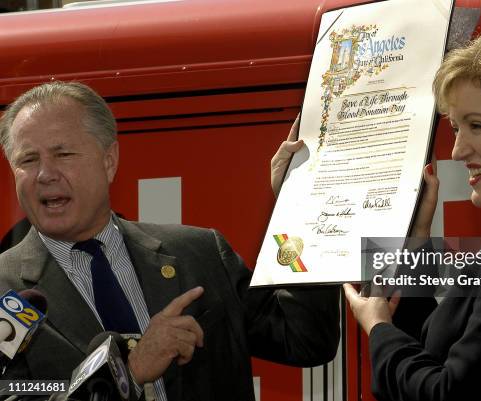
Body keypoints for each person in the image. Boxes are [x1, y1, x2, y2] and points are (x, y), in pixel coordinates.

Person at [275, 24, 481, 400]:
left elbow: (447, 392)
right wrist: (414, 244)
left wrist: (378, 329)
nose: (459, 150)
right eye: (455, 128)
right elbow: (436, 350)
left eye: (477, 126)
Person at [0, 81, 340, 401]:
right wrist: (128, 372)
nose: (45, 174)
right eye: (28, 160)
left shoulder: (201, 254)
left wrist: (298, 207)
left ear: (109, 161)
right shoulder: (6, 290)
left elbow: (306, 340)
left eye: (63, 154)